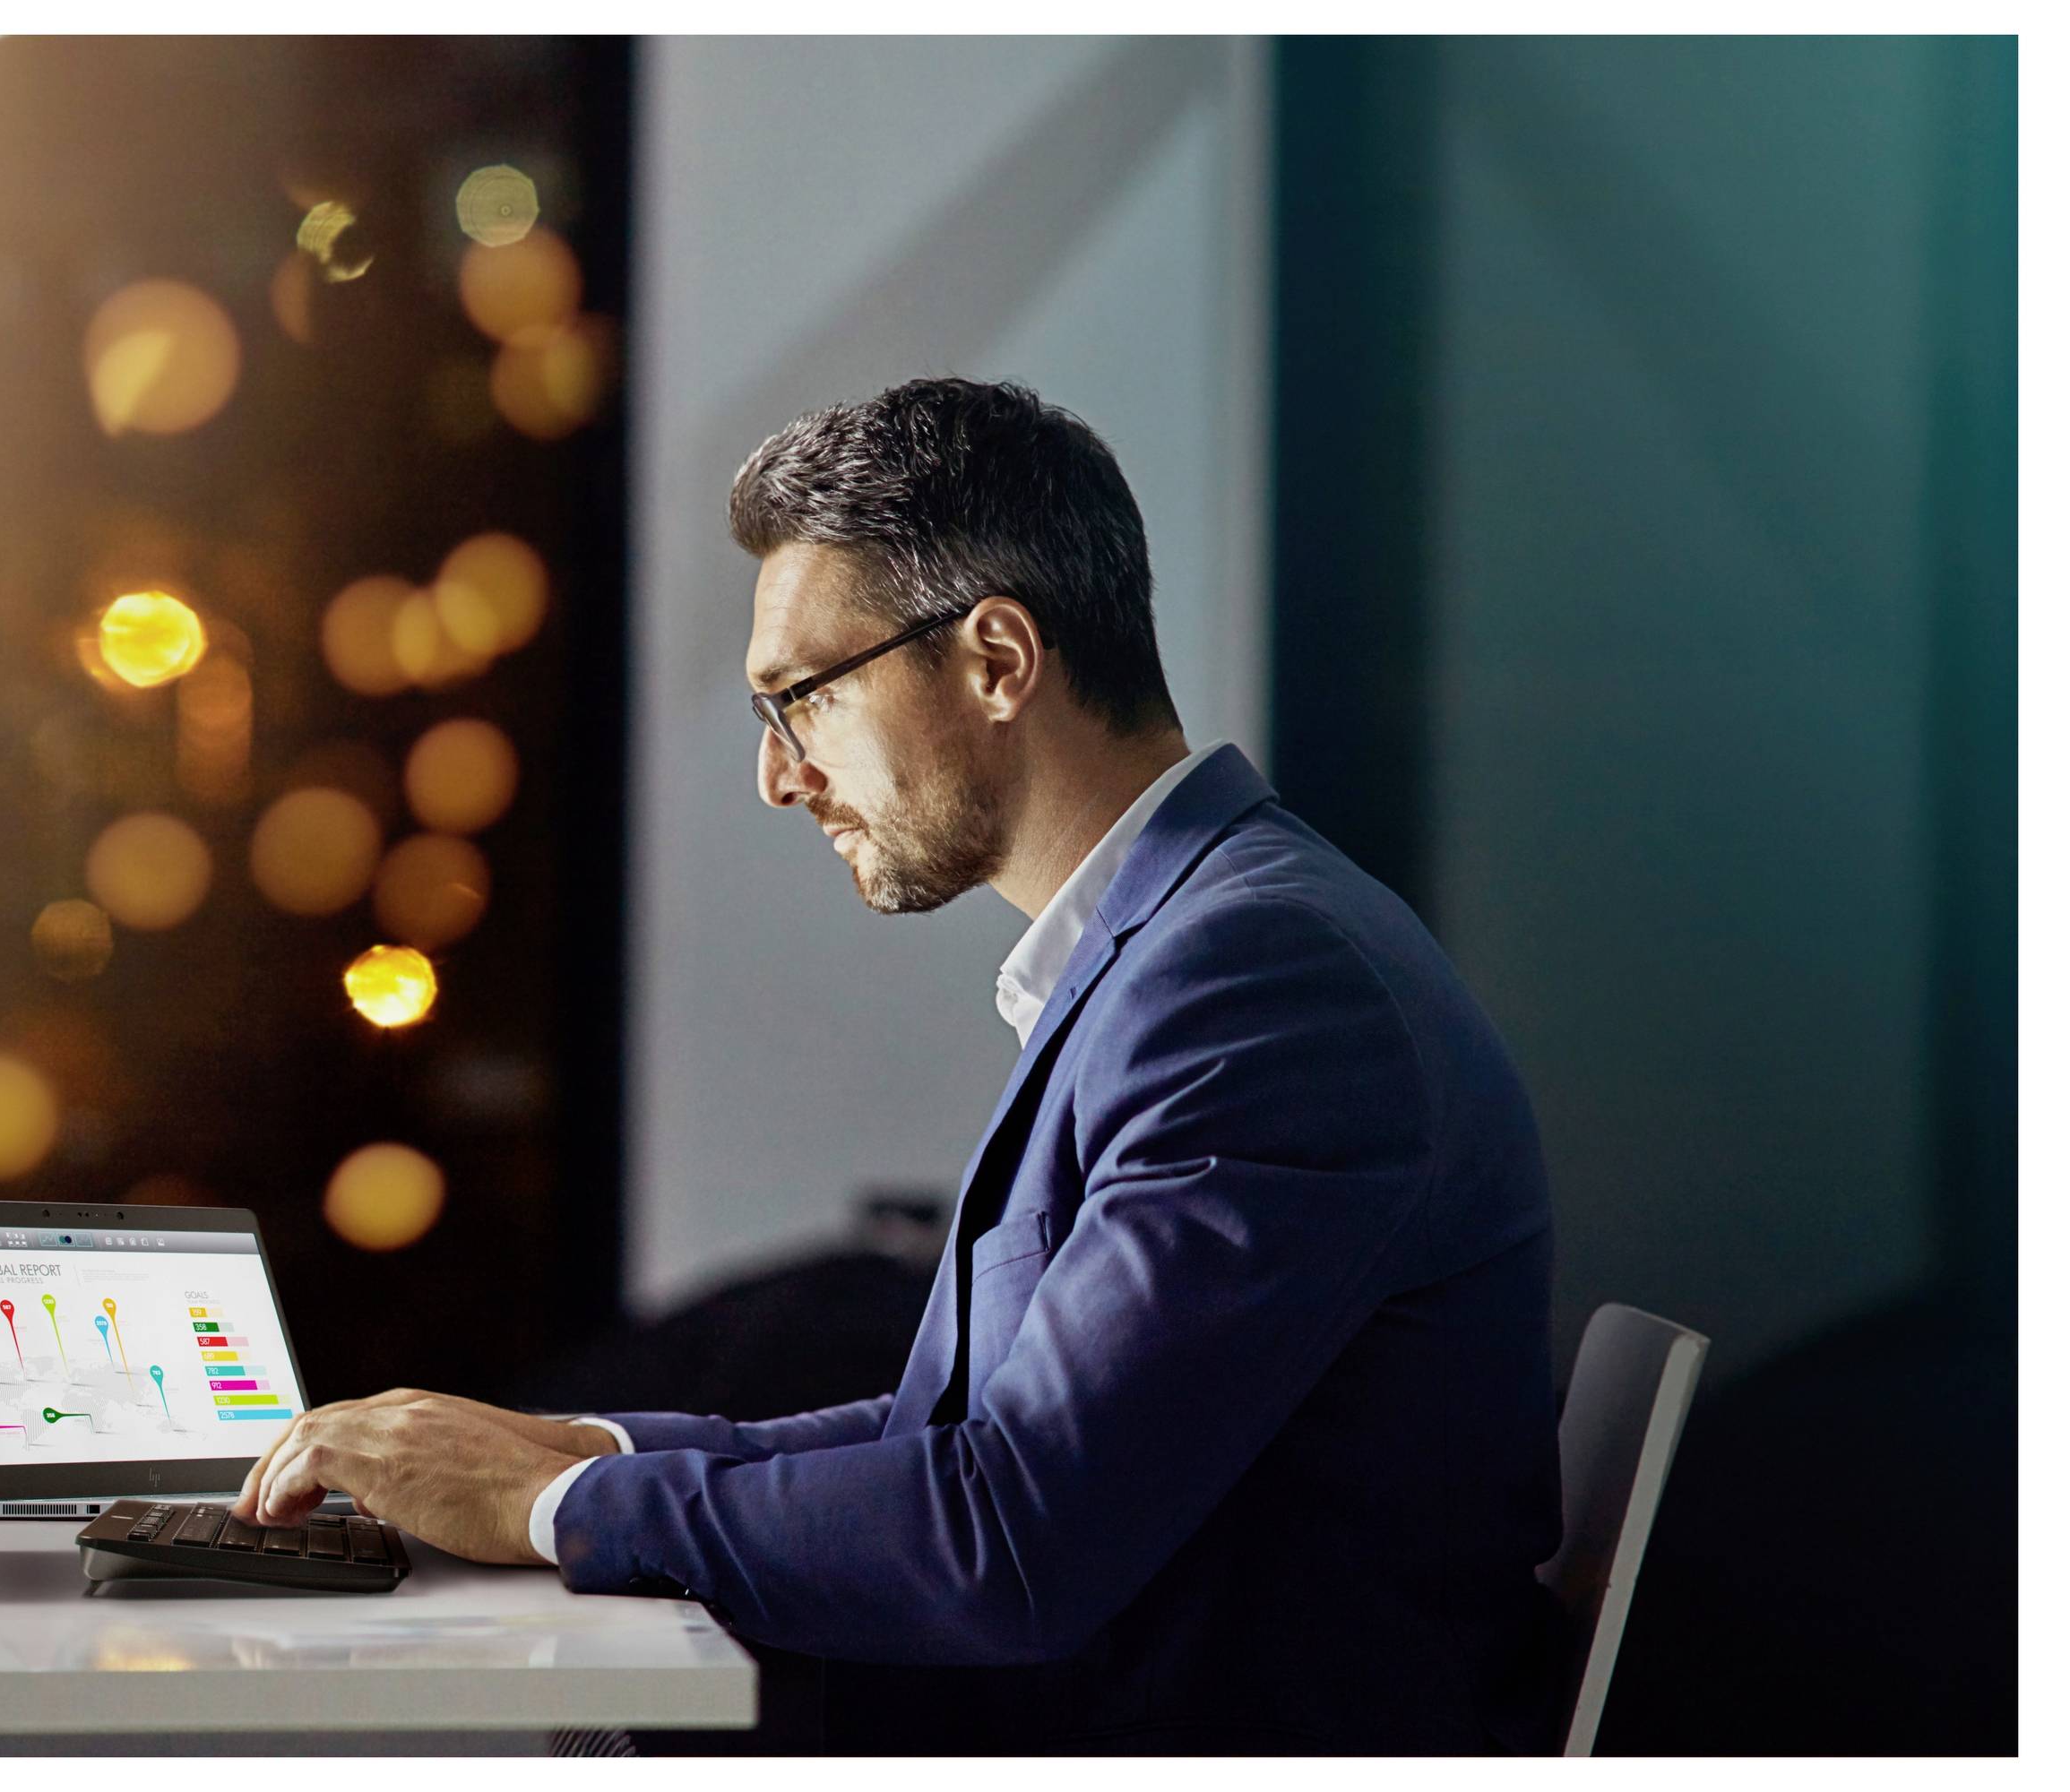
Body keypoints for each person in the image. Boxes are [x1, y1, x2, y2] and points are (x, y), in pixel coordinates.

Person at [233, 378, 1574, 1753]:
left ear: (996, 660)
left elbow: (1010, 1530)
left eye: (801, 699)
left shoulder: (1257, 985)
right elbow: (962, 1433)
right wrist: (584, 1458)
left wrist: (543, 1514)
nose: (779, 777)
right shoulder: (1189, 946)